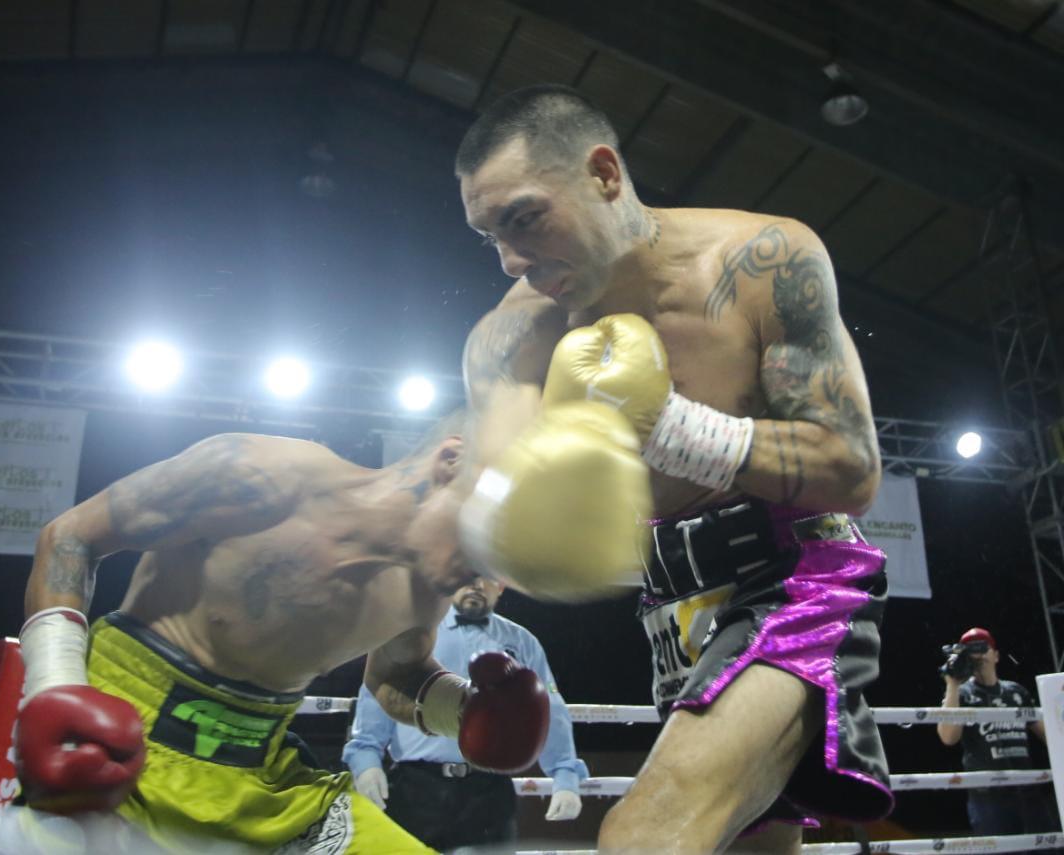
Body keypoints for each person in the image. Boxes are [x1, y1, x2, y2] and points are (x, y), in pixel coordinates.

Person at [451, 84, 893, 852]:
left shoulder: (762, 261)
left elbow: (851, 467)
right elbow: (494, 520)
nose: (513, 259)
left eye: (524, 218)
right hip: (669, 610)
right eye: (489, 235)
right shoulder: (506, 340)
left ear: (604, 174)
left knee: (644, 835)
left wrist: (668, 426)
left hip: (794, 578)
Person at [10, 413, 554, 853]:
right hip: (118, 746)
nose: (493, 570)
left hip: (265, 783)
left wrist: (465, 711)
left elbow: (398, 674)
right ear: (451, 461)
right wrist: (56, 691)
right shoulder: (260, 475)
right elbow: (71, 538)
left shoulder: (427, 587)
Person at [342, 576, 587, 851]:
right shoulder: (417, 632)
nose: (477, 585)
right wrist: (366, 759)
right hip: (416, 787)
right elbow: (381, 690)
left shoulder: (522, 642)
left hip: (490, 792)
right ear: (453, 579)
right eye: (470, 576)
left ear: (502, 586)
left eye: (487, 578)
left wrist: (565, 774)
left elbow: (549, 710)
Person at [937, 627, 1055, 836]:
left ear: (996, 655)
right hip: (989, 797)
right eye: (972, 649)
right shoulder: (960, 694)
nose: (979, 654)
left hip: (1027, 791)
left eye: (983, 647)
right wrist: (952, 684)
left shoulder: (1016, 692)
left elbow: (1051, 736)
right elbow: (948, 737)